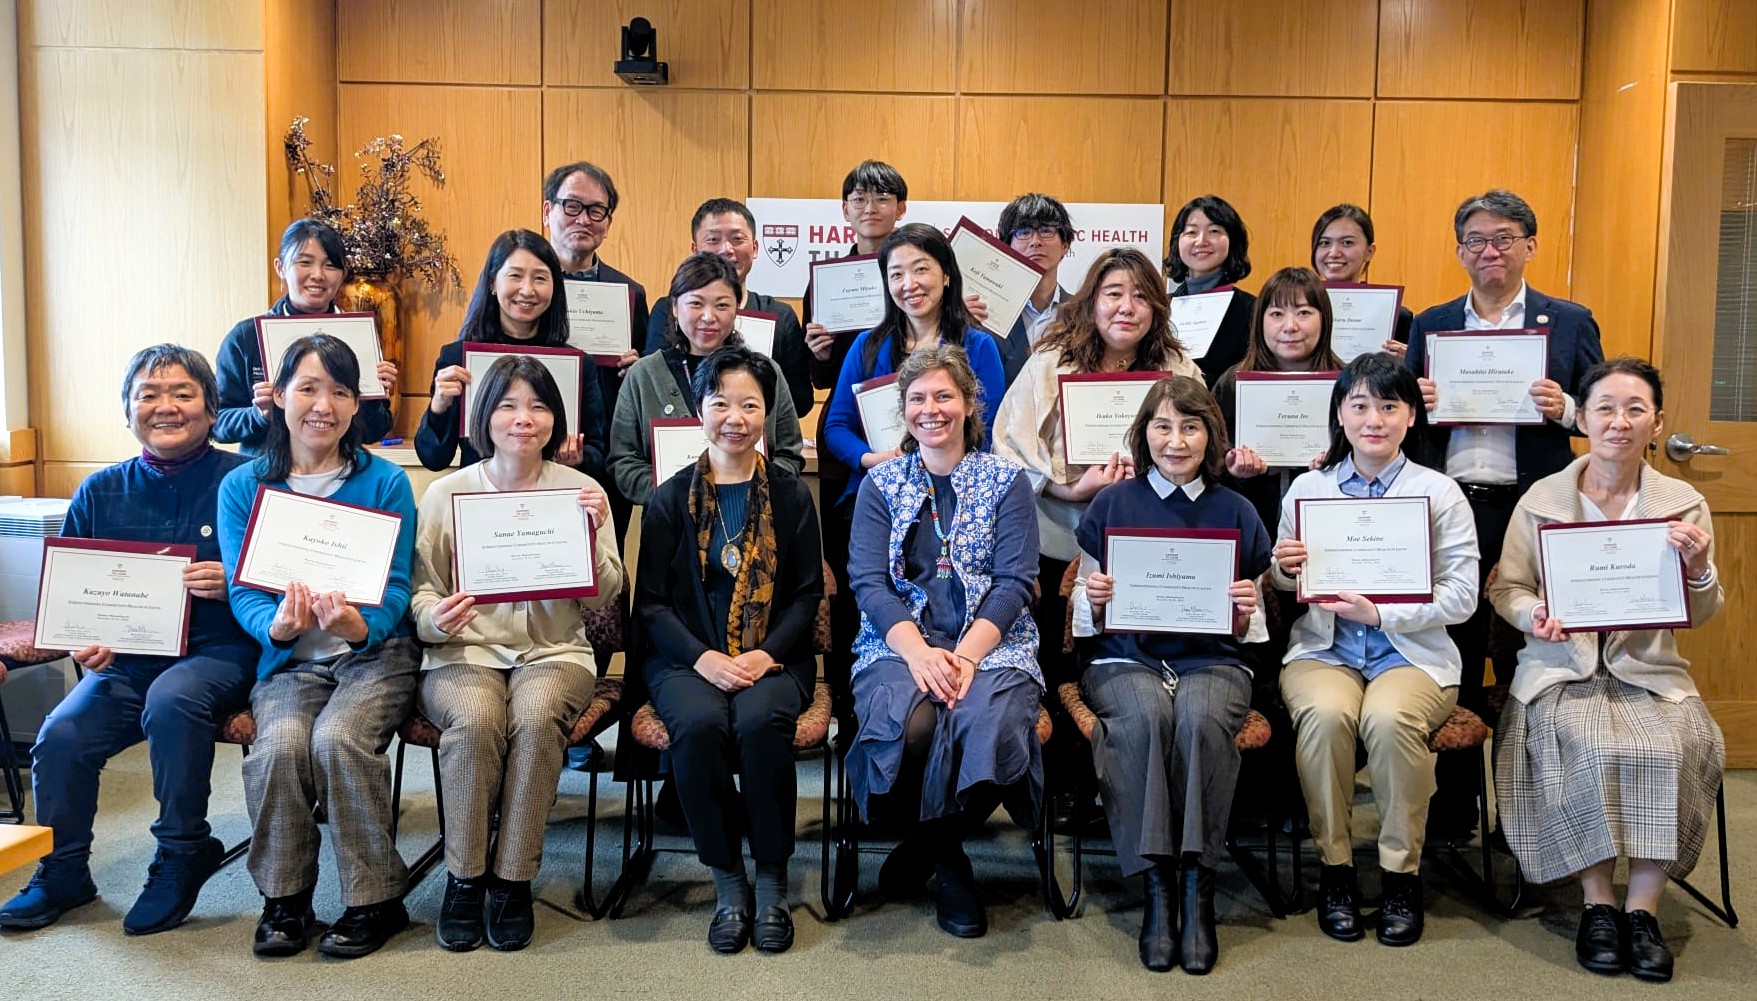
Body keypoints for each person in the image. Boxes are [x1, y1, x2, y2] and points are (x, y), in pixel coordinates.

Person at [0, 347, 257, 935]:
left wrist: (234, 579)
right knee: (60, 734)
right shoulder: (100, 490)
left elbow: (280, 583)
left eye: (183, 393)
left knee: (172, 699)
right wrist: (83, 641)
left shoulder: (242, 483)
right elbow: (69, 598)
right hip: (127, 660)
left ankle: (183, 848)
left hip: (220, 652)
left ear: (213, 408)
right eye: (148, 394)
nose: (165, 406)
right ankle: (63, 871)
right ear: (128, 411)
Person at [1488, 358, 1722, 983]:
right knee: (1587, 743)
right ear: (1582, 418)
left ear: (1657, 422)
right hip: (1560, 667)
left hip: (1647, 668)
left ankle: (1641, 910)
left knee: (1678, 744)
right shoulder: (1543, 500)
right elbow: (1506, 587)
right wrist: (1535, 611)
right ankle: (1598, 902)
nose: (1620, 422)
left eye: (1635, 409)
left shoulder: (1683, 505)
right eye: (1605, 409)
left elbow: (1698, 611)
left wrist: (1699, 569)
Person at [409, 355, 626, 953]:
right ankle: (464, 877)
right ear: (484, 416)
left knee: (533, 721)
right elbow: (420, 590)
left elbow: (608, 595)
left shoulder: (582, 491)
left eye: (537, 406)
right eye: (507, 405)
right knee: (477, 722)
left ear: (555, 419)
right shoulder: (446, 493)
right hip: (465, 650)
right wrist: (434, 616)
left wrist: (590, 536)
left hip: (555, 651)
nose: (523, 419)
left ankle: (511, 881)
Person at [1404, 189, 1605, 835]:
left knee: (1535, 653)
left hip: (1533, 510)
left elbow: (1606, 415)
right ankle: (1454, 801)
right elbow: (1399, 425)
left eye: (1503, 237)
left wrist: (1566, 409)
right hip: (1453, 507)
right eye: (1474, 239)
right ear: (1459, 248)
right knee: (1453, 651)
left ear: (1529, 245)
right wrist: (1418, 403)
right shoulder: (1431, 323)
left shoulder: (1568, 321)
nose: (1488, 249)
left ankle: (1529, 804)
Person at [217, 334, 420, 959]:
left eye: (338, 391)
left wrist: (365, 627)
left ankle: (374, 899)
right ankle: (285, 899)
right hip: (290, 664)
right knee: (277, 744)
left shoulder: (385, 482)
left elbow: (396, 585)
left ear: (357, 405)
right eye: (306, 388)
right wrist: (275, 627)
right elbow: (242, 588)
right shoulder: (243, 486)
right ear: (277, 398)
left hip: (372, 658)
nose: (322, 405)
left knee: (338, 739)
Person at [1270, 353, 1479, 948]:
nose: (1374, 419)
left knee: (1388, 720)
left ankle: (1398, 875)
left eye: (1389, 406)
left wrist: (1382, 613)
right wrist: (1284, 572)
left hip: (1412, 654)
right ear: (1340, 414)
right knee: (1329, 715)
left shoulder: (1438, 493)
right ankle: (1336, 871)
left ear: (1411, 416)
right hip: (1324, 649)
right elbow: (1286, 580)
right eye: (1360, 405)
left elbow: (1462, 596)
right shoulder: (1309, 489)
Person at [1069, 376, 1271, 974]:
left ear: (1210, 435)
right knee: (1144, 719)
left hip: (1213, 659)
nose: (1176, 440)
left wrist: (1245, 608)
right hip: (1123, 658)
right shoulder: (1111, 504)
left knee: (1201, 720)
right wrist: (1097, 599)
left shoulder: (1237, 509)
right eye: (1162, 425)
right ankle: (1158, 887)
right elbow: (1083, 620)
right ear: (1143, 433)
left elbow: (1250, 634)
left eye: (1190, 426)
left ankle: (1197, 884)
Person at [991, 247, 1198, 821]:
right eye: (1113, 293)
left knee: (1127, 659)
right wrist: (1063, 489)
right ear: (1092, 300)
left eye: (1140, 295)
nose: (1126, 307)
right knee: (1060, 664)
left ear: (1156, 307)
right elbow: (1008, 443)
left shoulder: (1177, 368)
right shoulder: (1052, 358)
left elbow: (1202, 443)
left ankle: (1133, 788)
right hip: (1060, 533)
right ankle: (1065, 787)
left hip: (1152, 537)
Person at [845, 345, 1040, 940]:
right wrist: (922, 653)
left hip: (992, 644)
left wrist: (963, 656)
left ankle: (930, 850)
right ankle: (949, 857)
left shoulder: (1007, 481)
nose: (931, 409)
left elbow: (1014, 584)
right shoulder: (880, 483)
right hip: (898, 643)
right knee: (911, 724)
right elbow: (868, 583)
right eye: (918, 399)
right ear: (902, 410)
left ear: (969, 403)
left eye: (943, 396)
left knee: (987, 721)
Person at [634, 346, 824, 955]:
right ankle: (727, 880)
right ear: (699, 409)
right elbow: (653, 603)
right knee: (696, 725)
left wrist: (766, 655)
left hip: (772, 656)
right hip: (688, 658)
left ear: (767, 415)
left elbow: (805, 595)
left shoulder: (792, 497)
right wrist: (702, 658)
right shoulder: (669, 499)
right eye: (721, 402)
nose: (734, 417)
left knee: (761, 721)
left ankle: (770, 876)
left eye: (750, 404)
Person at [608, 253, 805, 508]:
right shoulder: (644, 374)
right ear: (675, 307)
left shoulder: (766, 372)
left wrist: (750, 490)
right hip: (670, 523)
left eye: (722, 305)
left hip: (754, 519)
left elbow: (789, 454)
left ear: (737, 309)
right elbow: (622, 461)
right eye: (696, 304)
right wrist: (674, 497)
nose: (709, 316)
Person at [414, 229, 605, 476]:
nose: (527, 290)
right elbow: (433, 458)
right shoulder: (457, 359)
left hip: (552, 498)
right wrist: (439, 406)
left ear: (555, 287)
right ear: (493, 282)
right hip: (481, 498)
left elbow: (599, 454)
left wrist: (579, 456)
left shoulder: (579, 365)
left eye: (540, 278)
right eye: (515, 276)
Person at [215, 219, 396, 452]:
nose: (318, 275)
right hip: (266, 476)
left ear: (343, 274)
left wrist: (377, 397)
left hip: (339, 475)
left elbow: (374, 431)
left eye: (330, 266)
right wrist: (259, 414)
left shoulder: (359, 335)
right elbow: (217, 423)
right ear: (280, 268)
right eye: (304, 263)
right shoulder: (246, 337)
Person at [543, 161, 650, 545]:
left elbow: (642, 387)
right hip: (526, 456)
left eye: (596, 210)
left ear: (607, 220)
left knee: (601, 579)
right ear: (547, 211)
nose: (583, 219)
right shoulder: (522, 287)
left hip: (602, 462)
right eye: (572, 206)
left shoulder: (630, 294)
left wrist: (636, 372)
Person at [642, 198, 813, 415]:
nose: (726, 249)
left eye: (737, 239)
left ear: (755, 247)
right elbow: (653, 387)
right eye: (713, 239)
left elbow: (801, 402)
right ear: (695, 249)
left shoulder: (780, 315)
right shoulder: (667, 310)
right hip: (676, 438)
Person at [1212, 266, 1346, 536]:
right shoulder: (1232, 384)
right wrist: (1235, 472)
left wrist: (1336, 466)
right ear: (1260, 320)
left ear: (1325, 319)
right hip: (1249, 521)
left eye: (1304, 312)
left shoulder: (1347, 384)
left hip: (1328, 525)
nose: (1290, 326)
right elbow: (1208, 462)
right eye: (1276, 314)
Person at [1165, 195, 1255, 386]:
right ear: (1177, 241)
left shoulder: (1252, 310)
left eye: (1214, 231)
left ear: (1232, 240)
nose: (1201, 241)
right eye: (1191, 232)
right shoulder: (1159, 308)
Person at [994, 193, 1076, 387]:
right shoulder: (985, 313)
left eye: (1046, 231)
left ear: (1065, 245)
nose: (1035, 241)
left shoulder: (1084, 312)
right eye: (1023, 232)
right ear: (1007, 246)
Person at [1310, 204, 1413, 357]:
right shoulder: (1293, 313)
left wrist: (1409, 363)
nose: (1333, 253)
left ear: (1369, 252)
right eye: (1324, 243)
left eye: (1347, 243)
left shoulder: (1398, 317)